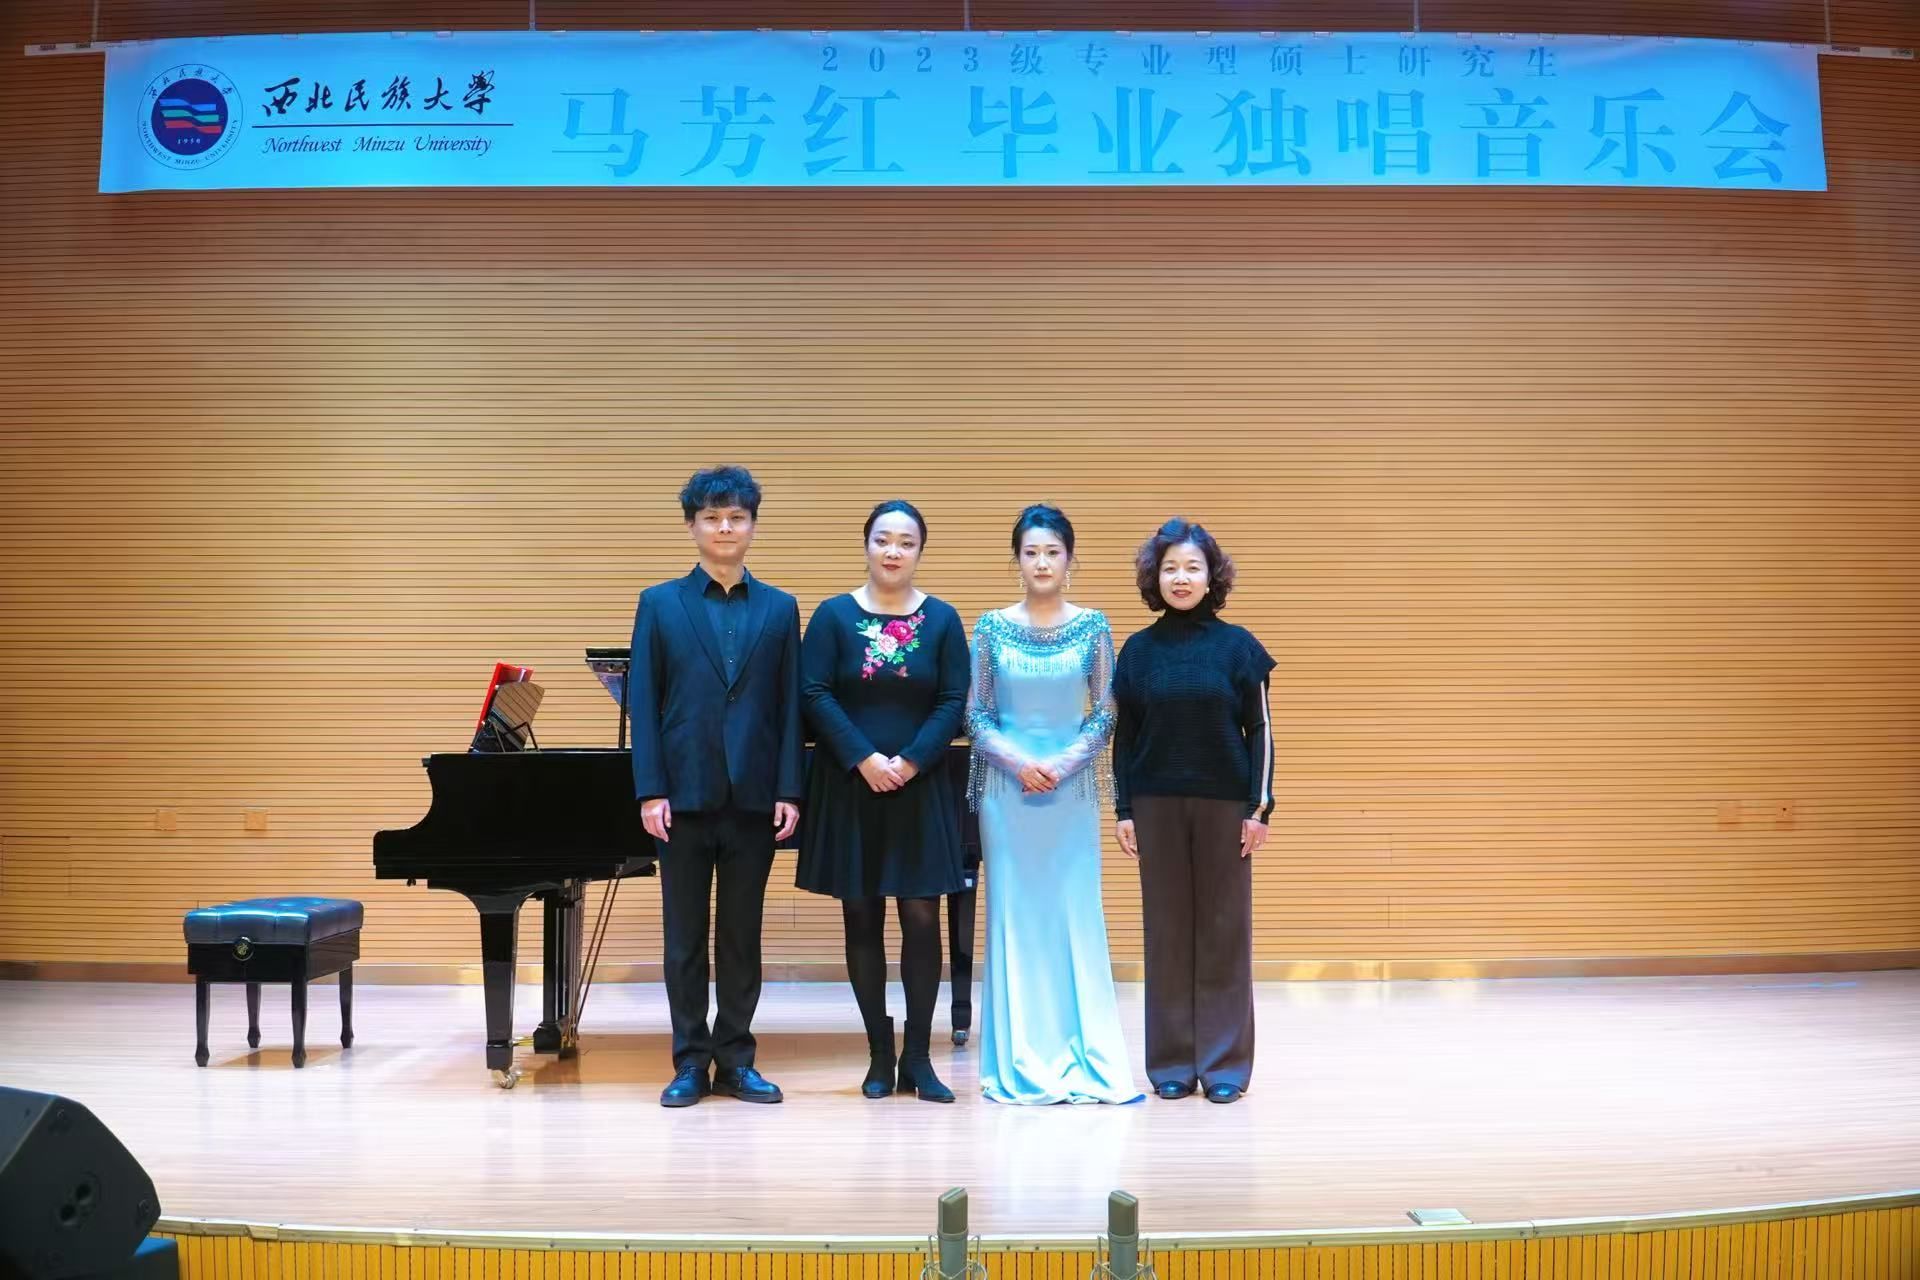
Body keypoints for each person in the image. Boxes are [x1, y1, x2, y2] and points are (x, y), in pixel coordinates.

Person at [627, 465, 803, 1108]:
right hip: (681, 796)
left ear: (752, 526)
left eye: (736, 517)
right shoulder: (659, 603)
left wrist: (789, 789)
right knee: (683, 940)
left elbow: (790, 708)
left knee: (740, 937)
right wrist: (651, 790)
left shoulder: (781, 607)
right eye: (712, 518)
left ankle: (736, 1059)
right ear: (692, 526)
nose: (724, 528)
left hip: (754, 797)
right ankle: (689, 1062)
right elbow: (643, 703)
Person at [966, 504, 1141, 1105]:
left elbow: (1106, 711)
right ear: (1016, 560)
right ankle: (1018, 1057)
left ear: (1070, 560)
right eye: (1031, 552)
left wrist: (1063, 764)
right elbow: (976, 714)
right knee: (1015, 916)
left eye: (1052, 552)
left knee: (1073, 913)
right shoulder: (990, 627)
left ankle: (1084, 1051)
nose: (1041, 563)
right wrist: (1019, 763)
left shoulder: (1094, 626)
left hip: (1071, 794)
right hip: (1007, 794)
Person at [796, 500, 970, 1102]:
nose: (893, 551)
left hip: (920, 786)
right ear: (866, 544)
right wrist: (864, 758)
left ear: (920, 551)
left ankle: (918, 1057)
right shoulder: (833, 616)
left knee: (922, 918)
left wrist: (912, 759)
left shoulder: (942, 618)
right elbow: (813, 692)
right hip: (852, 784)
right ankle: (877, 1054)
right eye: (883, 539)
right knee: (861, 917)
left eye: (906, 542)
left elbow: (954, 699)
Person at [1112, 518, 1274, 1105]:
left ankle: (1225, 1064)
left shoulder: (1239, 647)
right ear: (1155, 578)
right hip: (1154, 804)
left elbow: (1261, 731)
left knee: (1224, 931)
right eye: (1170, 568)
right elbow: (1125, 737)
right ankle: (1172, 1062)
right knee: (1167, 932)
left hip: (1226, 807)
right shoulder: (1137, 651)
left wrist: (1260, 808)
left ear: (1212, 577)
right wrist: (1124, 808)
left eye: (1192, 567)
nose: (1181, 578)